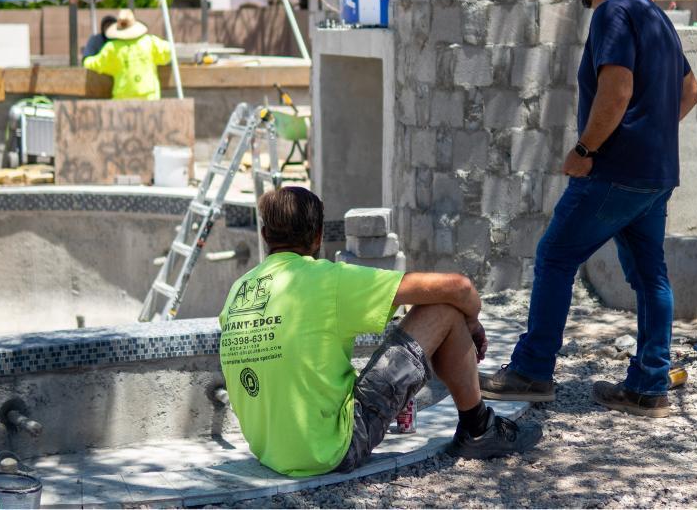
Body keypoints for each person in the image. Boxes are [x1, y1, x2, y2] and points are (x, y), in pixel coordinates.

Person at [480, 0, 697, 418]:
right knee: (650, 277)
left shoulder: (613, 12)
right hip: (655, 175)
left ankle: (532, 371)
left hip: (613, 172)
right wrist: (650, 135)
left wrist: (586, 148)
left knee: (555, 255)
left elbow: (617, 89)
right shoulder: (657, 17)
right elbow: (690, 92)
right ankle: (648, 386)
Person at [218, 187, 542, 477]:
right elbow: (459, 287)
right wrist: (470, 322)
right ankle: (478, 428)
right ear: (318, 237)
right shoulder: (327, 279)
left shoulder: (238, 291)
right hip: (331, 451)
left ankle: (477, 426)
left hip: (269, 454)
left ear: (264, 235)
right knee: (443, 309)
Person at [81, 9, 173, 100]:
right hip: (150, 97)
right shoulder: (150, 42)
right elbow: (169, 51)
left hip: (124, 100)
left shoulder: (112, 48)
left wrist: (86, 60)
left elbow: (97, 64)